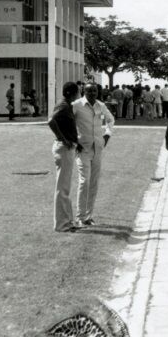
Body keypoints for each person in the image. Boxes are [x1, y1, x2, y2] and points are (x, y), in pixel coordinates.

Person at [72, 83, 115, 226]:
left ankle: (88, 216)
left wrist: (107, 135)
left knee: (94, 183)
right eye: (89, 90)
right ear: (84, 91)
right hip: (82, 149)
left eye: (94, 91)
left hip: (97, 148)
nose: (92, 93)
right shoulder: (76, 105)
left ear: (98, 92)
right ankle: (80, 217)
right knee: (85, 181)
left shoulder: (100, 105)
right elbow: (68, 123)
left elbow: (110, 120)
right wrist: (73, 140)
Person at [48, 82, 80, 233]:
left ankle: (67, 221)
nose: (78, 95)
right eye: (76, 92)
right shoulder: (63, 105)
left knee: (65, 187)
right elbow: (51, 121)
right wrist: (64, 139)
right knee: (63, 188)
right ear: (69, 92)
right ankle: (62, 224)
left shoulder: (66, 104)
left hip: (67, 147)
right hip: (64, 148)